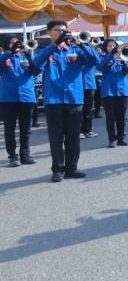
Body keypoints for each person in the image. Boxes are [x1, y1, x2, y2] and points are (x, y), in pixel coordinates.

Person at [33, 21, 100, 182]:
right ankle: (57, 169)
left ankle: (72, 168)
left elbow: (95, 60)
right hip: (53, 100)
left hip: (74, 98)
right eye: (58, 30)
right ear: (50, 32)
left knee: (73, 136)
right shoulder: (45, 51)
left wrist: (82, 44)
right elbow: (35, 65)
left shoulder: (76, 50)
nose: (63, 33)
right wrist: (55, 45)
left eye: (65, 30)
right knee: (56, 137)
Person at [0, 36, 39, 166]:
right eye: (12, 42)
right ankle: (12, 156)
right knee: (9, 129)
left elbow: (38, 69)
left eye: (17, 42)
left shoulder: (26, 56)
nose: (15, 44)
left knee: (26, 128)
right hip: (8, 98)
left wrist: (30, 60)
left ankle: (25, 155)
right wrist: (10, 52)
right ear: (7, 45)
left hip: (26, 97)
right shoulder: (5, 57)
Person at [98, 39, 128, 148]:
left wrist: (123, 61)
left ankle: (121, 138)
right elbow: (99, 67)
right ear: (105, 47)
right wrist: (110, 55)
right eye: (109, 45)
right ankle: (111, 139)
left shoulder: (123, 57)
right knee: (110, 117)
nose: (112, 47)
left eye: (114, 45)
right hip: (108, 92)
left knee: (121, 116)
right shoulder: (103, 58)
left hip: (122, 91)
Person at [79, 43, 100, 139]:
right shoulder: (76, 55)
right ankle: (79, 131)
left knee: (89, 109)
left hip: (89, 85)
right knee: (78, 110)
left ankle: (88, 130)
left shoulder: (91, 56)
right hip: (77, 86)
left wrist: (83, 45)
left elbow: (97, 58)